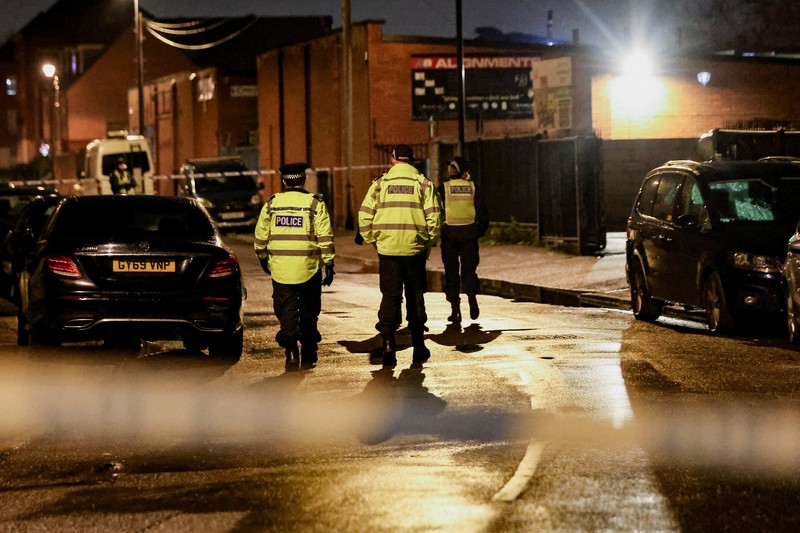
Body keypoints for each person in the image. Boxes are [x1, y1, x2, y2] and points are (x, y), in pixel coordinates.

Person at [358, 145, 441, 367]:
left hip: (388, 250)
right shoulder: (424, 184)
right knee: (415, 296)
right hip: (414, 251)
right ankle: (419, 346)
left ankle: (388, 343)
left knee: (390, 296)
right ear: (412, 161)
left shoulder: (380, 184)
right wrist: (427, 242)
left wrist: (375, 241)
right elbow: (435, 219)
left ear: (393, 159)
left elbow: (364, 216)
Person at [254, 162, 335, 370]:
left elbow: (260, 236)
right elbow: (325, 236)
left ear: (283, 182)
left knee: (286, 311)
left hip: (281, 269)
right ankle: (309, 351)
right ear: (304, 180)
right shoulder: (315, 203)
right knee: (309, 311)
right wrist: (329, 263)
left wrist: (262, 257)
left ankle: (291, 353)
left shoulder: (272, 204)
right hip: (309, 268)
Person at [437, 156, 489, 322]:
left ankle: (455, 309)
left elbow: (435, 211)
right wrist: (477, 232)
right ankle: (472, 297)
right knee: (469, 270)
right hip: (469, 235)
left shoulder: (444, 188)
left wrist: (437, 231)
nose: (449, 169)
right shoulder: (473, 187)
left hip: (449, 235)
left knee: (451, 273)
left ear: (456, 170)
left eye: (451, 166)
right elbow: (483, 214)